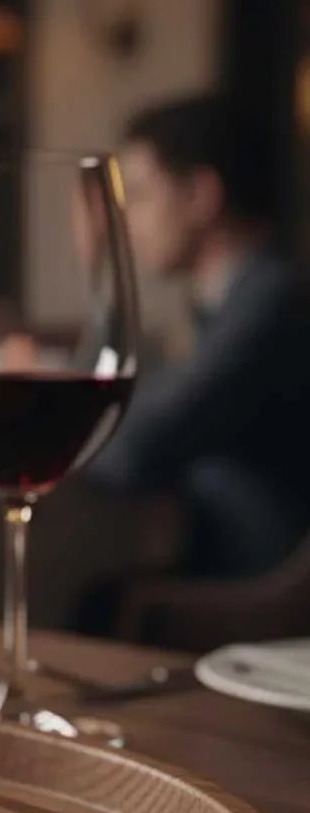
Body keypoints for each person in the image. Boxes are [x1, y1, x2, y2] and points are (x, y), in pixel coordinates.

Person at [90, 94, 310, 576]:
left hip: (258, 595)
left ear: (200, 196)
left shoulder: (271, 302)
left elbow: (140, 441)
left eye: (140, 196)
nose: (124, 220)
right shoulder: (222, 305)